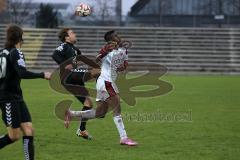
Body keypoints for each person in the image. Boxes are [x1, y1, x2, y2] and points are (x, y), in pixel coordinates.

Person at [65, 30, 138, 146]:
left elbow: (124, 66)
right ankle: (124, 138)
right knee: (117, 107)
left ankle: (72, 114)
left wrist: (122, 66)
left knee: (100, 112)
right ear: (111, 40)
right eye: (115, 36)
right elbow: (95, 62)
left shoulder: (123, 50)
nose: (118, 37)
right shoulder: (106, 49)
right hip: (105, 81)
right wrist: (104, 52)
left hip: (109, 81)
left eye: (118, 35)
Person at [0, 24, 51, 160]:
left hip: (16, 97)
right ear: (20, 38)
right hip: (8, 99)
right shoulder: (15, 52)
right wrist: (42, 74)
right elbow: (22, 73)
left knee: (29, 130)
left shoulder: (3, 52)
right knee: (14, 136)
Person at [52, 28, 96, 140]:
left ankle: (81, 130)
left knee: (88, 104)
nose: (75, 34)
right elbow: (55, 54)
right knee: (97, 72)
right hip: (69, 76)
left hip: (74, 79)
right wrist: (65, 65)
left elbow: (79, 61)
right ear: (66, 37)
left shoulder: (75, 49)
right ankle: (107, 94)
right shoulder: (64, 46)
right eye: (72, 33)